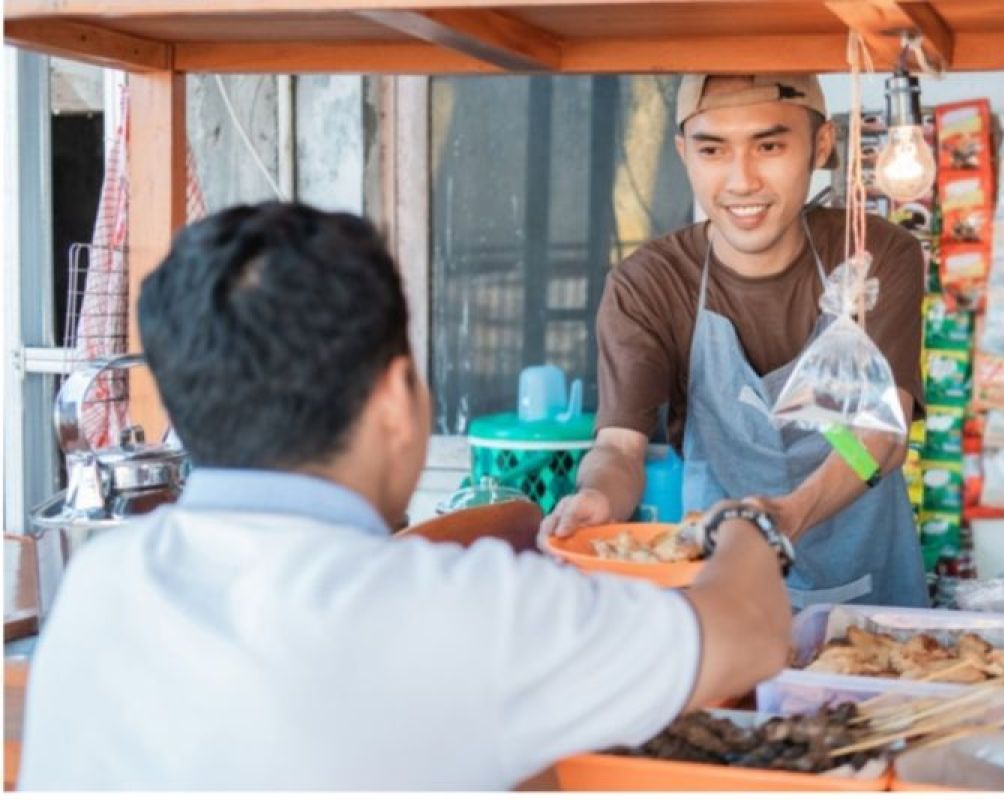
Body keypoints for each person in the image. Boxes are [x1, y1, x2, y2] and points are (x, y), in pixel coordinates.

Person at [18, 203, 793, 790]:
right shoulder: (462, 618)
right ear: (396, 400)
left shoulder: (101, 587)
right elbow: (752, 633)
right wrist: (746, 525)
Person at [542, 74, 929, 609]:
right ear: (683, 153)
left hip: (871, 604)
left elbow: (879, 444)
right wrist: (598, 496)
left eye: (769, 146)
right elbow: (618, 448)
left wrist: (791, 514)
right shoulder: (650, 284)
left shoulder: (872, 255)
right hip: (721, 594)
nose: (741, 180)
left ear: (820, 146)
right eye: (712, 150)